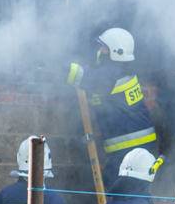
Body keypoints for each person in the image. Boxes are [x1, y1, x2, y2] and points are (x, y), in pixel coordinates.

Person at [67, 27, 158, 190]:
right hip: (138, 150)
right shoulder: (120, 71)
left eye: (104, 48)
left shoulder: (112, 74)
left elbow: (83, 76)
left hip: (129, 152)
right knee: (133, 195)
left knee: (119, 195)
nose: (100, 51)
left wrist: (55, 65)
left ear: (115, 51)